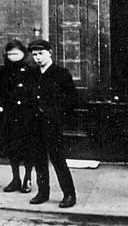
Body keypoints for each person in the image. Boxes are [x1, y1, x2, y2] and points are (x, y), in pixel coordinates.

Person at [26, 38, 77, 209]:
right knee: (39, 159)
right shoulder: (32, 74)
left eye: (41, 54)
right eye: (34, 55)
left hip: (53, 124)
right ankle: (43, 192)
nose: (37, 58)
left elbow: (72, 100)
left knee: (58, 159)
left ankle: (69, 194)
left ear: (50, 53)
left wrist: (55, 113)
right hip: (35, 124)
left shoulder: (61, 73)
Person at [0, 39, 35, 193]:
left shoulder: (31, 70)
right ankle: (15, 178)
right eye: (10, 54)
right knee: (12, 149)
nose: (13, 57)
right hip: (10, 116)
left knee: (28, 149)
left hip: (27, 116)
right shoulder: (3, 71)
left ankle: (27, 179)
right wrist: (1, 109)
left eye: (16, 54)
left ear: (23, 54)